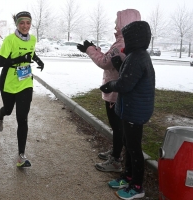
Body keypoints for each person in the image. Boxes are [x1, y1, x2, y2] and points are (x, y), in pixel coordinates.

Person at [76, 9, 141, 173]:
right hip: (120, 90)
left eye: (117, 23)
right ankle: (115, 153)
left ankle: (116, 159)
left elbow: (104, 62)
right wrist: (94, 49)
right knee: (118, 127)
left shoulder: (121, 44)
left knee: (117, 126)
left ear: (124, 23)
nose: (115, 26)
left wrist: (90, 50)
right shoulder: (129, 42)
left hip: (115, 92)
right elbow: (109, 57)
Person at [99, 20, 155, 199]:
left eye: (127, 37)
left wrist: (109, 85)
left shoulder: (138, 57)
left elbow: (125, 83)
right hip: (130, 108)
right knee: (128, 143)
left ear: (135, 38)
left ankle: (137, 186)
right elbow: (129, 75)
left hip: (135, 110)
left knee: (134, 148)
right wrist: (118, 64)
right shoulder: (136, 55)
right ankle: (128, 176)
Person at [0, 11, 44, 168]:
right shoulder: (10, 40)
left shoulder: (33, 39)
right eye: (22, 23)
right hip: (8, 82)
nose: (25, 26)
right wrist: (19, 59)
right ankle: (0, 114)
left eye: (28, 23)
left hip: (25, 83)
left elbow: (30, 52)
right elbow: (1, 62)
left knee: (22, 117)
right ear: (17, 24)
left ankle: (21, 156)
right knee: (8, 110)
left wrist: (37, 60)